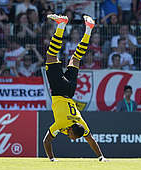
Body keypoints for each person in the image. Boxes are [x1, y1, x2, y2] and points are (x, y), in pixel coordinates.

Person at [42, 14, 107, 162]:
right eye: (72, 136)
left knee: (76, 58)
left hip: (71, 91)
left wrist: (101, 157)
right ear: (70, 129)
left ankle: (89, 29)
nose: (71, 138)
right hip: (59, 90)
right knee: (51, 55)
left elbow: (90, 139)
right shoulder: (62, 124)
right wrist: (52, 159)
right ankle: (61, 24)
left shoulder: (80, 121)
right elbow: (46, 141)